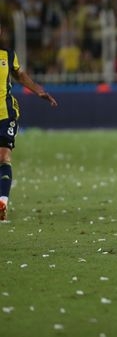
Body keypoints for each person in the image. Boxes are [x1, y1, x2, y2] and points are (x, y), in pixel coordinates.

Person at [0, 22, 58, 221]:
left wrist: (39, 91)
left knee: (3, 156)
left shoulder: (8, 55)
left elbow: (20, 75)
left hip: (6, 114)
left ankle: (2, 202)